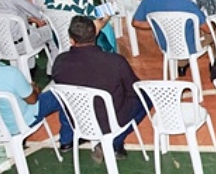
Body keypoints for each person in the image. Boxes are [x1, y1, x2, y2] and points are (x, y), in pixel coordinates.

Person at [0, 29, 72, 149]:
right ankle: (67, 140)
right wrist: (35, 90)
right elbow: (33, 100)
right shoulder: (10, 73)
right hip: (19, 123)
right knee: (62, 95)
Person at [52, 16, 146, 160]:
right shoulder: (115, 61)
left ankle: (69, 139)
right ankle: (115, 142)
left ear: (71, 40)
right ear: (96, 34)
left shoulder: (59, 62)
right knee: (145, 95)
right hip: (110, 121)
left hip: (78, 120)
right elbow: (134, 89)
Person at [45, 0, 117, 53]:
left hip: (60, 41)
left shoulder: (48, 0)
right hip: (84, 41)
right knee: (107, 28)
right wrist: (106, 19)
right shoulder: (81, 0)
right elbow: (96, 29)